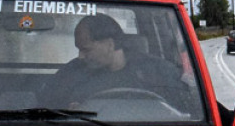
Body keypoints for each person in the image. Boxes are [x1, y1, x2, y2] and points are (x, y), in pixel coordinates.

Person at [44, 14, 186, 110]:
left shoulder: (158, 71)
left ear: (110, 44)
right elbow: (47, 110)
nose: (80, 56)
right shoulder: (69, 75)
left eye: (86, 50)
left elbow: (184, 112)